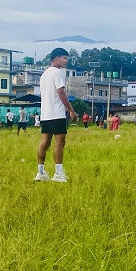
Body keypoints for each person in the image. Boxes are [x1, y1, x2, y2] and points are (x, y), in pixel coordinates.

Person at [35, 48, 78, 182]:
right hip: (57, 113)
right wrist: (71, 109)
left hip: (45, 114)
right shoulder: (58, 72)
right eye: (64, 58)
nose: (66, 61)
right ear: (56, 58)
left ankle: (40, 172)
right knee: (60, 142)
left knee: (44, 142)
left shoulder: (44, 74)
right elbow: (61, 93)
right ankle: (58, 173)